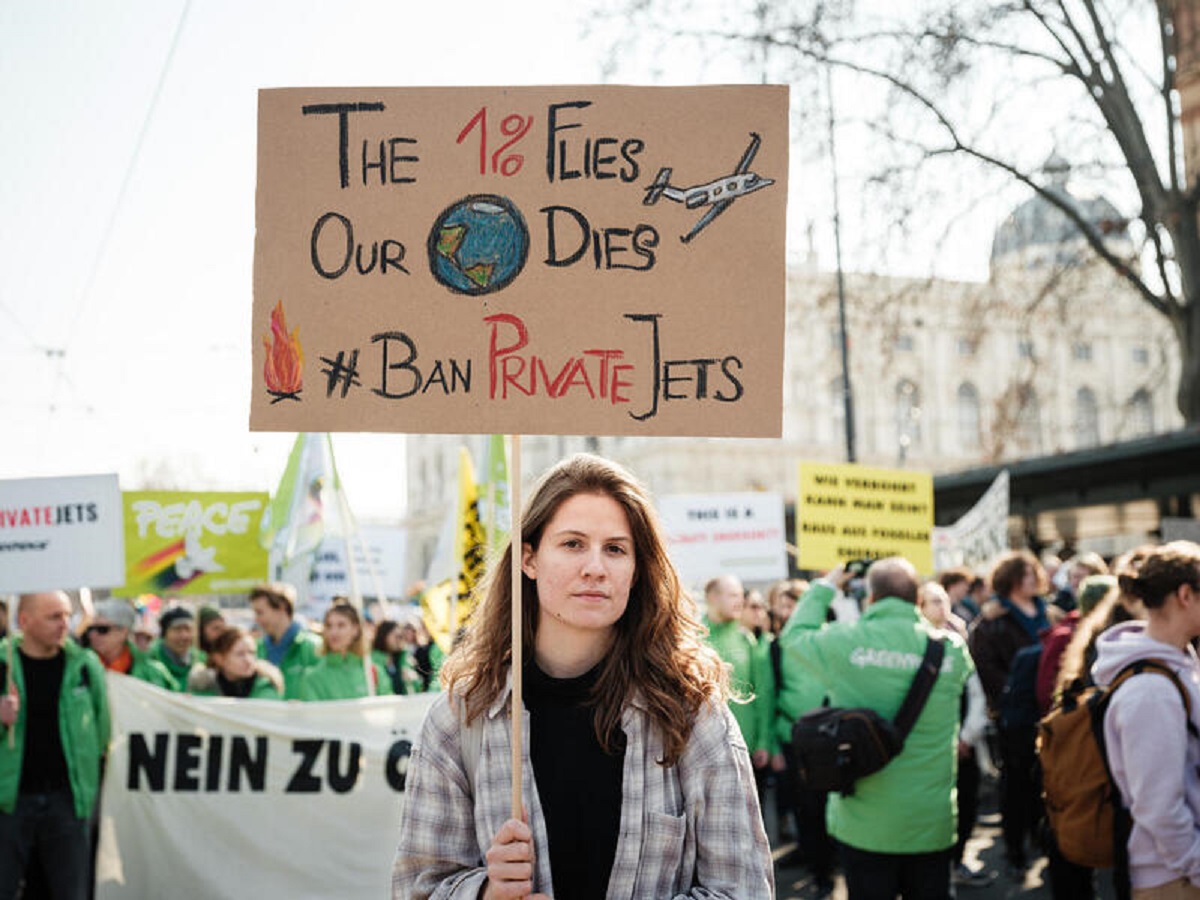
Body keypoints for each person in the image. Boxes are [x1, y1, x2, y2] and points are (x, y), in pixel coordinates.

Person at [393, 453, 773, 899]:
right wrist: (482, 894)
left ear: (635, 572)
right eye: (573, 544)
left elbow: (743, 889)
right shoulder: (460, 720)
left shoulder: (691, 714)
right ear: (530, 559)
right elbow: (416, 888)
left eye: (615, 549)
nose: (595, 567)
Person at [780, 558, 973, 900]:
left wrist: (827, 585)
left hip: (864, 823)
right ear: (916, 600)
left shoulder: (846, 642)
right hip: (930, 821)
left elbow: (793, 636)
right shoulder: (951, 651)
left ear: (870, 599)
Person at [1094, 541, 1200, 898]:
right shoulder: (1151, 690)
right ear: (1185, 594)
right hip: (1173, 877)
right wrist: (1196, 863)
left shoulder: (1171, 670)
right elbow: (1157, 805)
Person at [0, 591, 110, 900]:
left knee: (71, 891)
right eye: (54, 616)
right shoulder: (2, 663)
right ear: (24, 620)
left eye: (66, 615)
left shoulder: (85, 665)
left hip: (67, 800)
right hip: (9, 801)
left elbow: (103, 728)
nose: (65, 624)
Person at [969, 549, 1051, 878]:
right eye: (1024, 573)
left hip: (1046, 710)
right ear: (1011, 579)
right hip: (1015, 714)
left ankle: (1040, 838)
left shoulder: (1047, 611)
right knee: (1016, 783)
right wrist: (1011, 692)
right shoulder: (994, 619)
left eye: (1033, 572)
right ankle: (1015, 850)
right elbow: (984, 662)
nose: (1032, 578)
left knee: (1044, 779)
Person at [701, 574, 776, 806]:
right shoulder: (692, 637)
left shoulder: (747, 640)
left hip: (747, 750)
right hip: (704, 751)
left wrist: (763, 741)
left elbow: (764, 694)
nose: (740, 601)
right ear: (712, 598)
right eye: (733, 595)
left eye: (741, 595)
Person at [299, 602, 391, 701]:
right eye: (329, 626)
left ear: (355, 629)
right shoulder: (313, 677)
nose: (333, 632)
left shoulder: (375, 672)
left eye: (341, 625)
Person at [86, 599, 178, 690]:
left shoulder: (153, 672)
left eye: (102, 629)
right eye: (91, 629)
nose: (93, 635)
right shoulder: (81, 668)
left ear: (123, 632)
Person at [250, 582, 320, 700]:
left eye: (260, 612)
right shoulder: (256, 649)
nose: (256, 619)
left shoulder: (312, 647)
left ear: (281, 607)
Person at [188, 626, 284, 699]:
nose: (248, 660)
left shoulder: (266, 688)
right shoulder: (202, 689)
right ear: (219, 659)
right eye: (240, 654)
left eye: (252, 653)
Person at [151, 604, 204, 690]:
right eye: (177, 629)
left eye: (188, 629)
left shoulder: (201, 661)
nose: (184, 636)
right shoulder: (151, 660)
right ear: (165, 634)